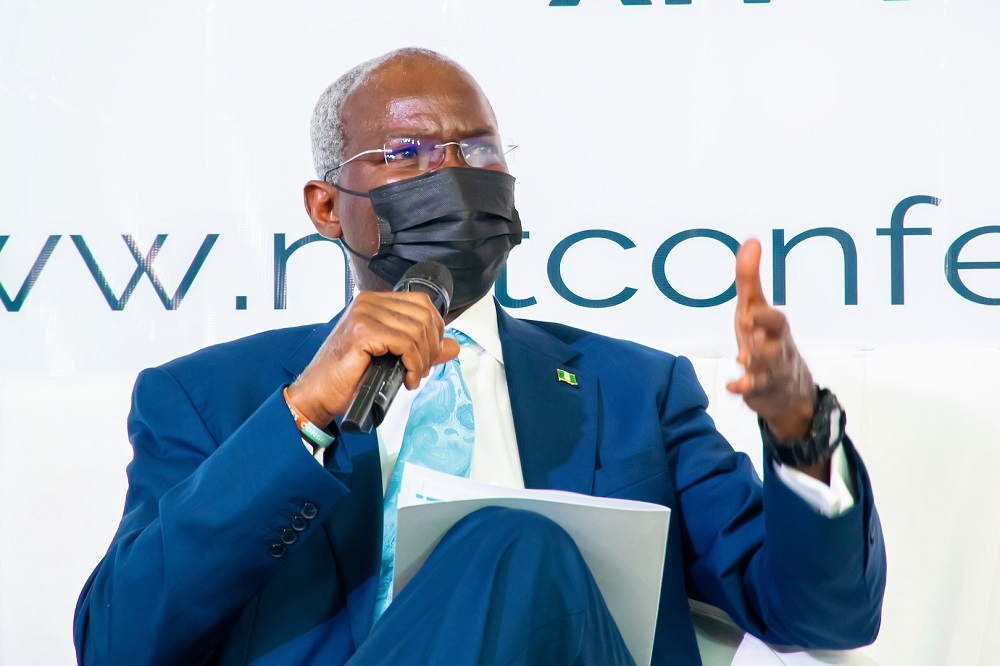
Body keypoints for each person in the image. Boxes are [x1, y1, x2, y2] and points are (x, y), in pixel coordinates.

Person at [74, 47, 886, 665]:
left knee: (516, 545)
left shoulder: (636, 393)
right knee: (514, 541)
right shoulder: (210, 399)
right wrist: (303, 418)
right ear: (327, 207)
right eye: (410, 154)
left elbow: (825, 617)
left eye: (480, 152)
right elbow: (118, 643)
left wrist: (801, 433)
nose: (455, 175)